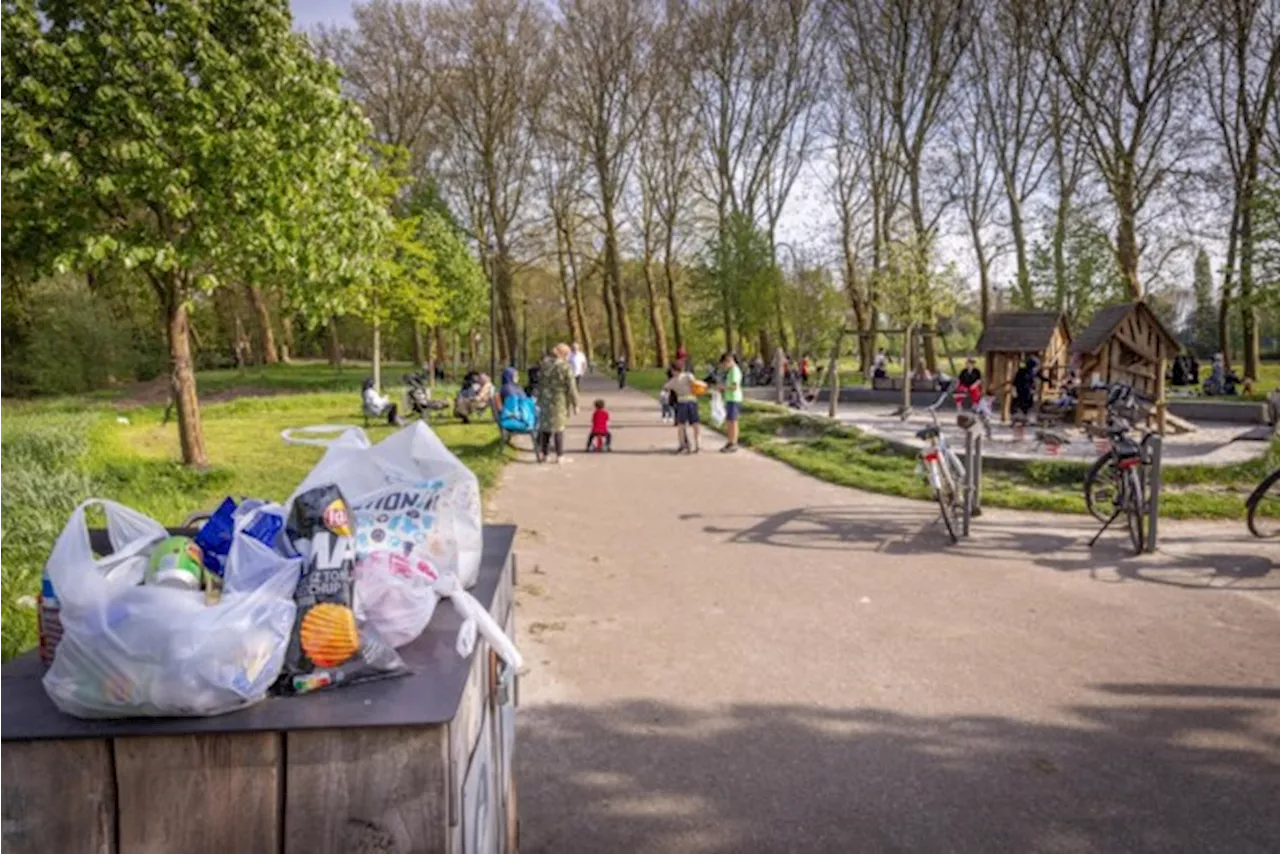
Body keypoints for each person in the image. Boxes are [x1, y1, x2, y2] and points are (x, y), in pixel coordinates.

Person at [537, 343, 579, 464]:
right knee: (558, 427)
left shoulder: (544, 364)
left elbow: (539, 381)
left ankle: (544, 454)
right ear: (565, 354)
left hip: (545, 398)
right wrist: (575, 403)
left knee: (545, 427)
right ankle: (559, 455)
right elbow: (571, 387)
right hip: (559, 399)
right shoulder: (565, 367)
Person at [662, 358, 701, 454]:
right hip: (692, 401)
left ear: (673, 370)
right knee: (695, 424)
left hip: (681, 402)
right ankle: (698, 445)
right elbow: (695, 384)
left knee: (681, 425)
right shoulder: (688, 376)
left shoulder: (673, 381)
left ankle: (682, 444)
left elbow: (665, 387)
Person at [718, 352, 743, 453]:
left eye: (725, 364)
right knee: (729, 421)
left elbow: (734, 386)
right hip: (729, 398)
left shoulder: (735, 371)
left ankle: (734, 443)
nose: (724, 366)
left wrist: (723, 387)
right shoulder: (730, 371)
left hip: (734, 399)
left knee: (733, 422)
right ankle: (730, 441)